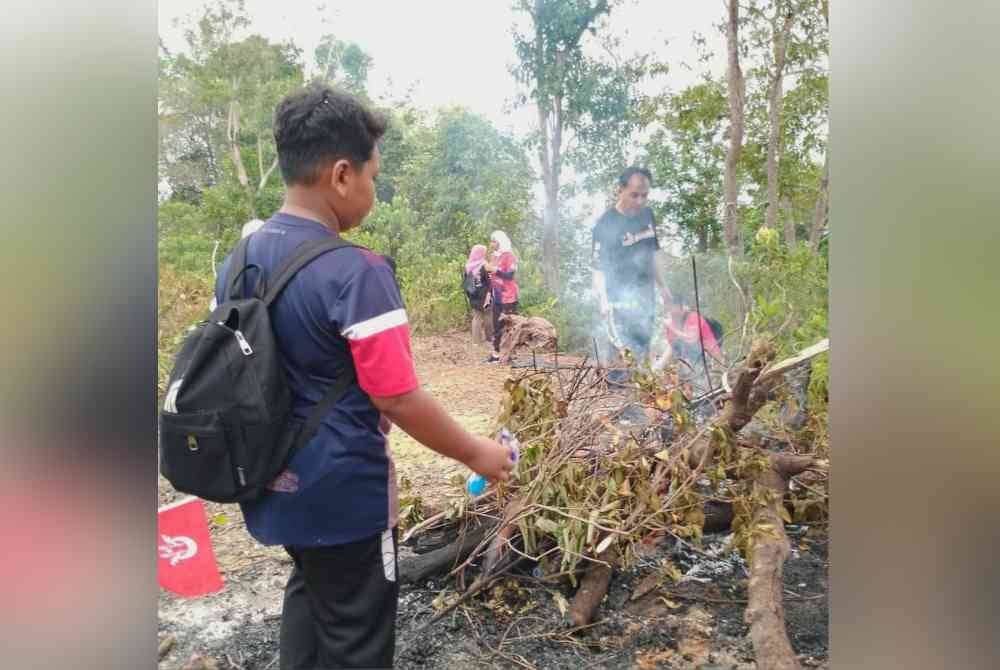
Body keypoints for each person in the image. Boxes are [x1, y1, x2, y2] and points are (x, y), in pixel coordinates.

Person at [213, 84, 515, 670]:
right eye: (375, 176)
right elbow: (396, 395)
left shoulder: (240, 261)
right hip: (344, 499)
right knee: (358, 638)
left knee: (313, 593)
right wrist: (478, 453)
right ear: (343, 174)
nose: (375, 190)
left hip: (268, 482)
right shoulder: (357, 273)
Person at [591, 167, 671, 370]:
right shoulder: (605, 223)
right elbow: (598, 268)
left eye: (645, 195)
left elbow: (653, 253)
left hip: (645, 293)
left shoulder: (647, 215)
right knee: (621, 355)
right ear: (621, 190)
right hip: (618, 298)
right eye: (634, 195)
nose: (640, 201)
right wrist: (603, 300)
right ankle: (613, 392)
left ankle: (641, 390)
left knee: (643, 346)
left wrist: (663, 288)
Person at [484, 230, 519, 363]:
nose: (492, 244)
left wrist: (494, 270)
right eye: (491, 241)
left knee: (509, 326)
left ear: (500, 242)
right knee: (497, 325)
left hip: (508, 296)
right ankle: (496, 354)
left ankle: (508, 354)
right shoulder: (494, 256)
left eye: (494, 241)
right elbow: (491, 277)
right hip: (496, 294)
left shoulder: (509, 256)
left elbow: (510, 275)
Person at [462, 244, 492, 344]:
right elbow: (490, 282)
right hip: (485, 295)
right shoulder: (485, 265)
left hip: (473, 295)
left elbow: (466, 283)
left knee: (476, 317)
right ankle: (489, 338)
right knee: (488, 316)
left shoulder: (468, 266)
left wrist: (469, 296)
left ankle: (476, 341)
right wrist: (490, 294)